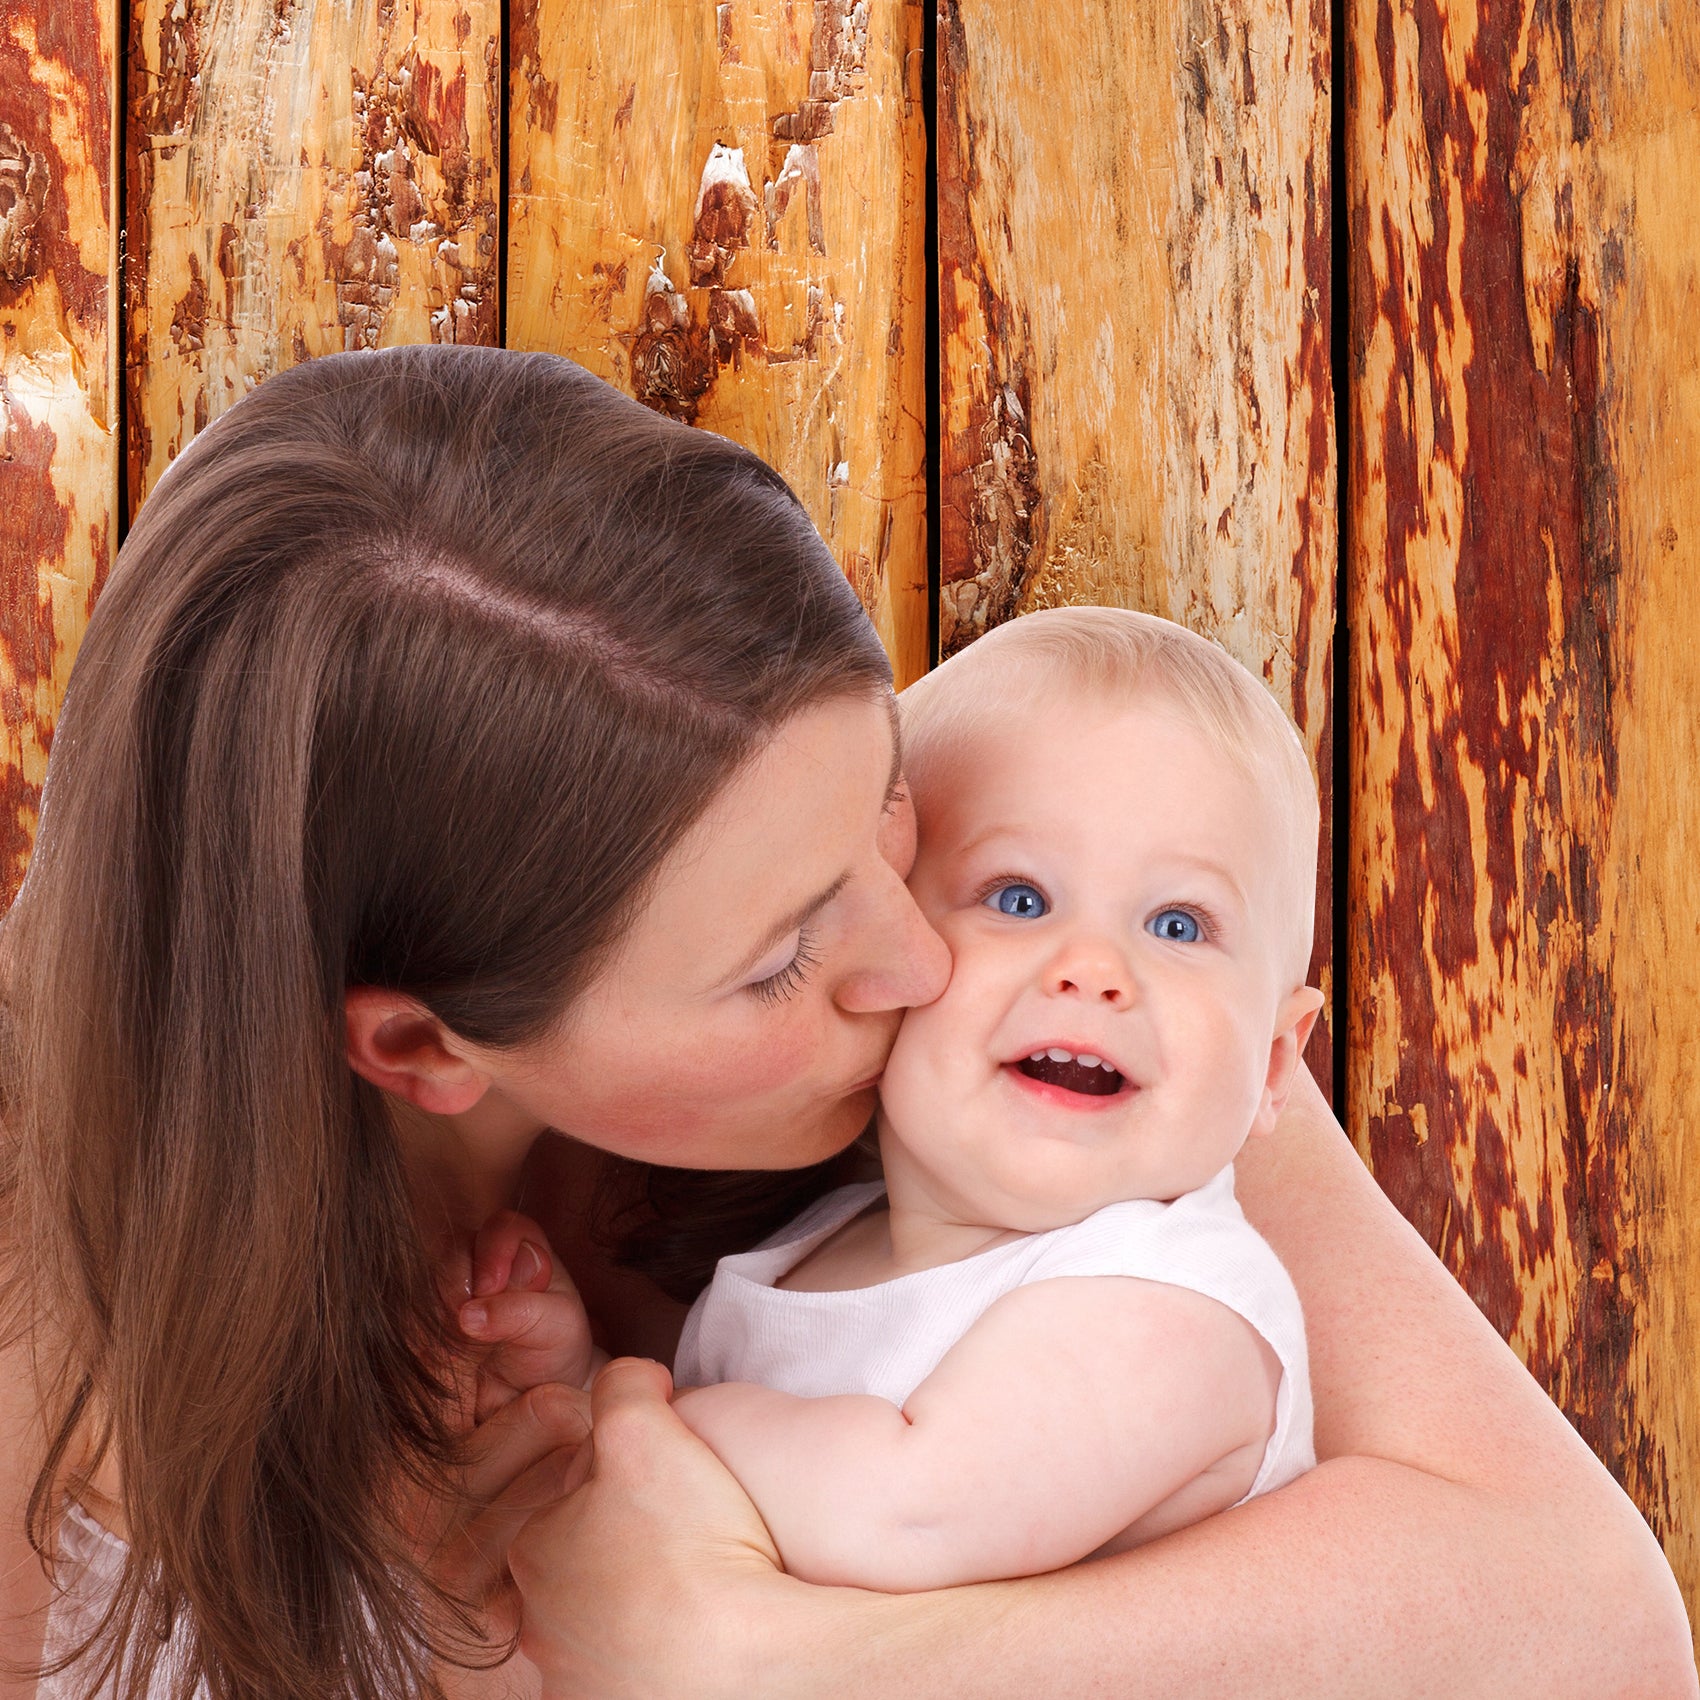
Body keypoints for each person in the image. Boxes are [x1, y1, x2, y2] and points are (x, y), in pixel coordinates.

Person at [0, 346, 1690, 1700]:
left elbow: (1591, 1626)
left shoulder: (1055, 931)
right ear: (425, 1049)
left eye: (890, 804)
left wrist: (784, 1656)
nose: (923, 957)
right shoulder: (48, 1367)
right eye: (778, 962)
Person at [489, 606, 1325, 1588]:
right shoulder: (812, 1250)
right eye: (1019, 897)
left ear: (1271, 1065)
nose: (1093, 967)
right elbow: (711, 1529)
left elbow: (898, 1512)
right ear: (888, 955)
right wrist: (566, 1386)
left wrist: (621, 1417)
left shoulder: (1172, 1303)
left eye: (1178, 923)